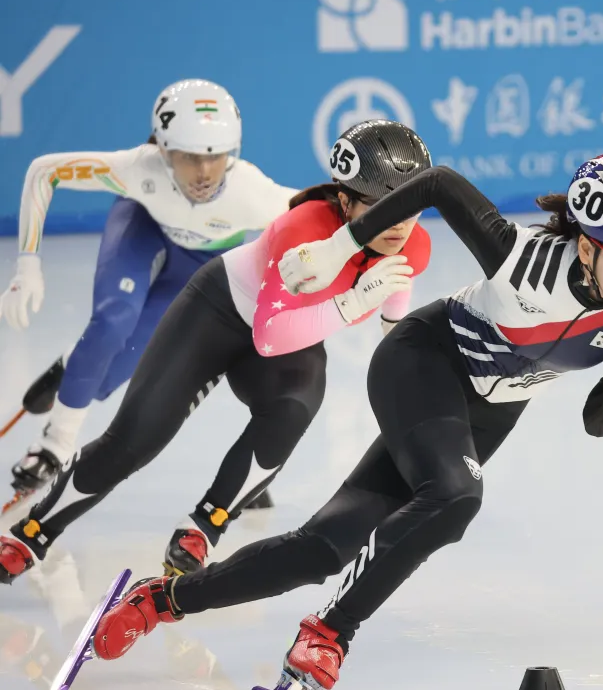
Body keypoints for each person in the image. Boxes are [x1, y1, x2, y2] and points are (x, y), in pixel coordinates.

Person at [58, 154, 603, 690]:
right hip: (425, 361)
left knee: (322, 548)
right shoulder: (520, 257)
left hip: (488, 412)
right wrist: (340, 246)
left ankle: (161, 600)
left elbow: (598, 421)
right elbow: (437, 182)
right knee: (458, 497)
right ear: (586, 248)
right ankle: (329, 634)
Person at [0, 119, 433, 583]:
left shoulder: (414, 243)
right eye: (382, 206)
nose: (399, 223)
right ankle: (31, 533)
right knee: (134, 441)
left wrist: (397, 350)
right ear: (345, 201)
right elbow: (268, 336)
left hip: (293, 336)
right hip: (218, 313)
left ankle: (205, 526)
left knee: (293, 410)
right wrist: (350, 305)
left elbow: (395, 305)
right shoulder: (302, 229)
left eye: (409, 207)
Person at [0, 79, 298, 514]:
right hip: (143, 226)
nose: (203, 172)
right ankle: (55, 443)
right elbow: (43, 172)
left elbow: (332, 220)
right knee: (112, 320)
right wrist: (28, 263)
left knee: (118, 365)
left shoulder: (254, 193)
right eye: (189, 157)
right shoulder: (138, 168)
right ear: (161, 149)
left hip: (201, 264)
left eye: (215, 157)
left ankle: (71, 363)